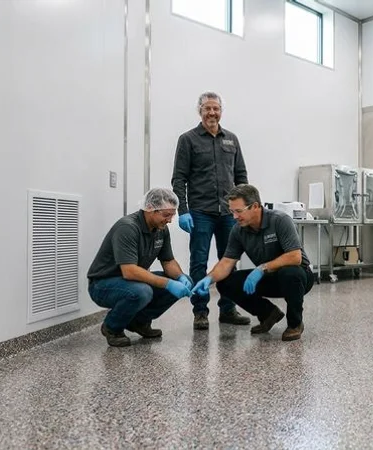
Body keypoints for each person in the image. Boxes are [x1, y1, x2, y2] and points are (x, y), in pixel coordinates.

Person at [190, 184, 314, 341]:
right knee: (225, 282)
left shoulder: (280, 220)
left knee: (290, 272)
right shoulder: (238, 230)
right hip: (268, 277)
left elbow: (295, 257)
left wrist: (262, 268)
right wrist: (209, 279)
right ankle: (268, 314)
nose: (234, 216)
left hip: (299, 277)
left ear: (255, 206)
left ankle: (295, 324)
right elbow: (227, 262)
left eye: (239, 211)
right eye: (232, 211)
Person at [171, 91, 250, 330]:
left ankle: (228, 309)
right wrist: (182, 211)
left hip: (229, 214)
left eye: (216, 108)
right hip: (200, 212)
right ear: (200, 111)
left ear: (221, 112)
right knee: (199, 261)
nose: (212, 113)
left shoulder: (232, 140)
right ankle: (200, 311)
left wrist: (242, 208)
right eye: (207, 108)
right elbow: (179, 178)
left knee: (230, 260)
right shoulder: (188, 139)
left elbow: (241, 176)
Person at [87, 188, 193, 347]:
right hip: (103, 285)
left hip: (131, 281)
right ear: (150, 209)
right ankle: (112, 327)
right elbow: (129, 271)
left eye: (172, 215)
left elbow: (168, 261)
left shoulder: (161, 230)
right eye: (166, 215)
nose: (170, 220)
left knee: (181, 279)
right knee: (142, 291)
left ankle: (139, 322)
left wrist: (180, 278)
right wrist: (168, 284)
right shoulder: (127, 227)